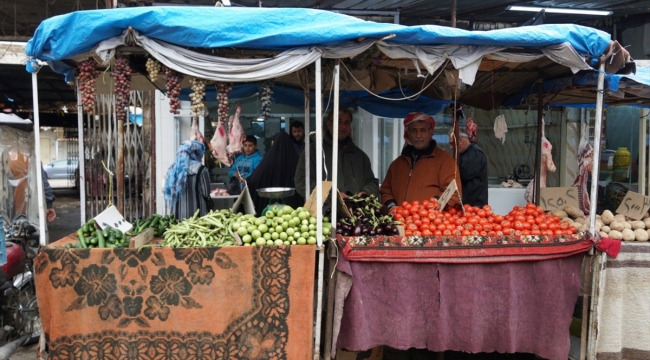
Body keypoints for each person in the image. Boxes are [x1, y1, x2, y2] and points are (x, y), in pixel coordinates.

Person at [294, 107, 379, 204]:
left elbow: (372, 182)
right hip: (324, 214)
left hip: (356, 215)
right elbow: (302, 182)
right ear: (329, 124)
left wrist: (365, 192)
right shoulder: (313, 151)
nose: (343, 126)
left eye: (346, 122)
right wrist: (332, 194)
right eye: (338, 121)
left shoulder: (360, 156)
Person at [381, 112, 462, 209]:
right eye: (414, 130)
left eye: (422, 130)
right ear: (409, 133)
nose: (418, 135)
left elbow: (454, 193)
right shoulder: (397, 164)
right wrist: (392, 206)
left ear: (430, 132)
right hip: (399, 221)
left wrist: (431, 207)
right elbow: (385, 190)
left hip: (430, 222)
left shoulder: (445, 161)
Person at [247, 131, 304, 215]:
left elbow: (254, 180)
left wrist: (247, 180)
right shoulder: (297, 158)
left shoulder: (269, 160)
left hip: (269, 209)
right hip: (294, 208)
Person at [164, 139, 212, 220]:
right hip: (196, 216)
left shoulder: (172, 169)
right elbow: (206, 194)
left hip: (176, 216)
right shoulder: (201, 169)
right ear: (195, 153)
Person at [450, 128, 488, 207]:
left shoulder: (475, 154)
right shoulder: (466, 154)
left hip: (474, 205)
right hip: (466, 204)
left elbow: (461, 175)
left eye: (452, 143)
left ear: (460, 141)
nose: (451, 147)